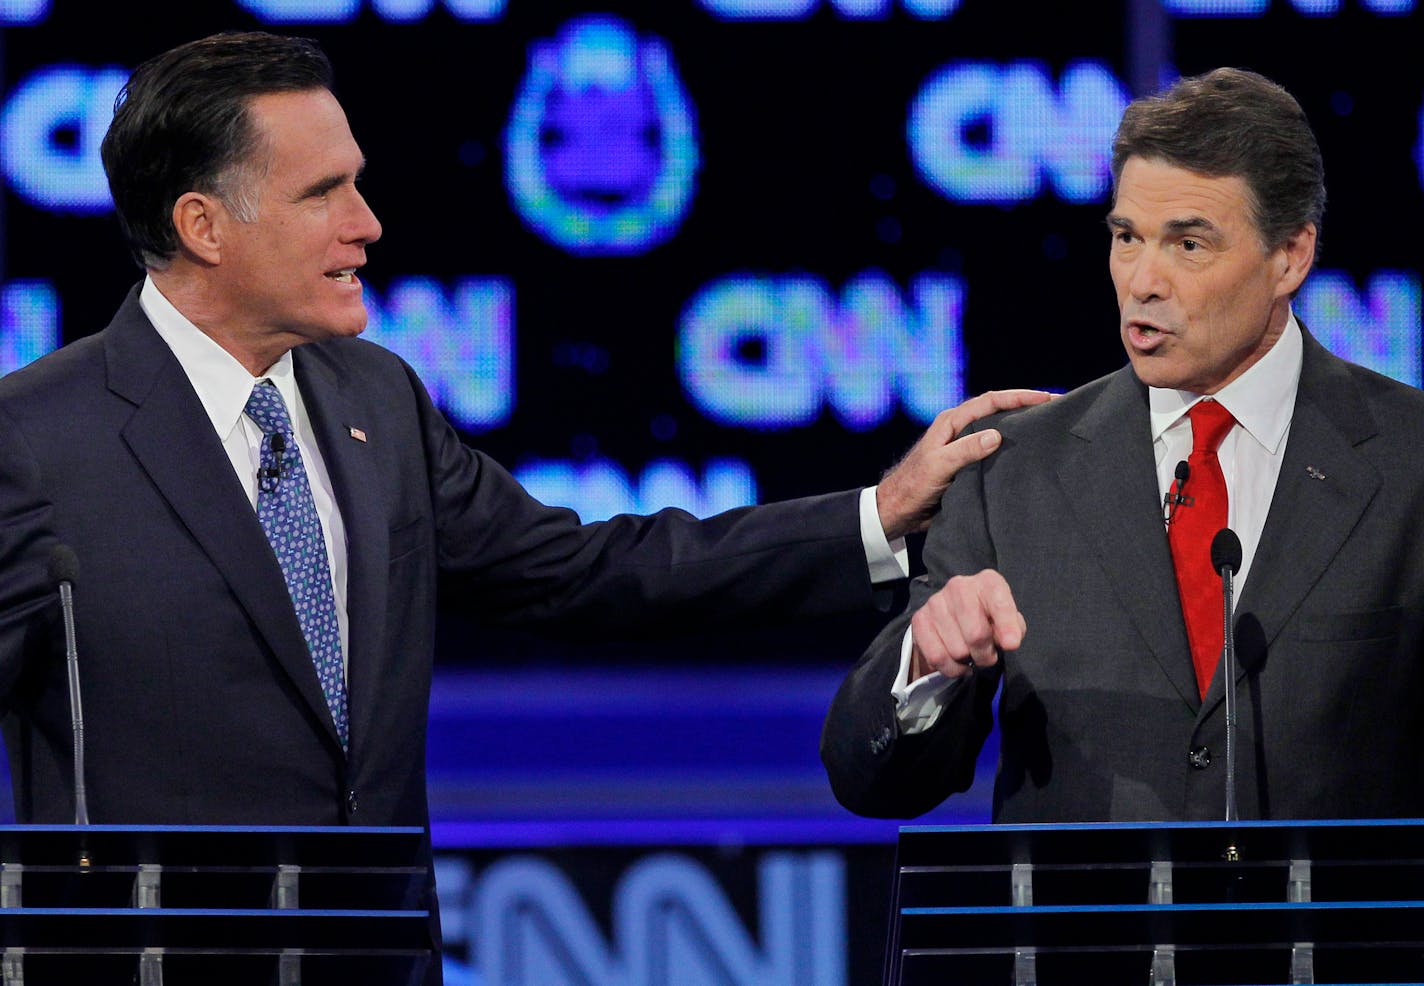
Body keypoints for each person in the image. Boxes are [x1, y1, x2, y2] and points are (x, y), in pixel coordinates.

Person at [0, 30, 1045, 970]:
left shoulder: (374, 399)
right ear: (203, 225)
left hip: (375, 959)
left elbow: (590, 571)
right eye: (322, 192)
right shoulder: (36, 442)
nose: (366, 222)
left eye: (356, 184)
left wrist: (876, 511)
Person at [823, 67, 1424, 824]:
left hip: (1329, 940)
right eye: (1127, 237)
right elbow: (873, 783)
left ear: (1290, 258)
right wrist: (925, 664)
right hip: (1085, 942)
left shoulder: (1408, 464)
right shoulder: (1010, 471)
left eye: (1189, 244)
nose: (1142, 280)